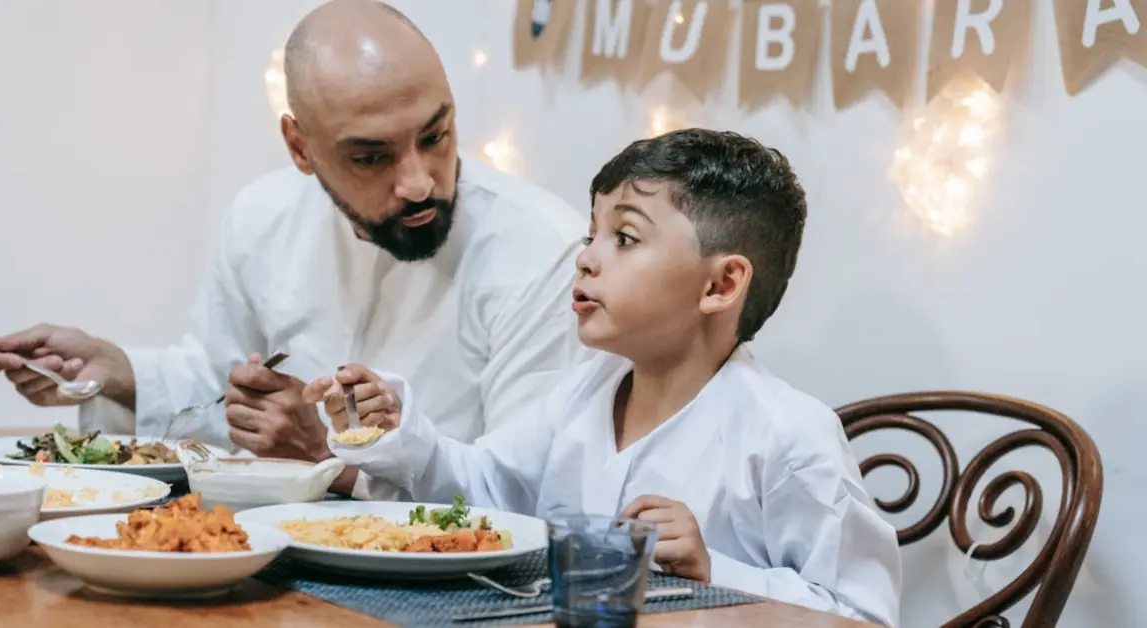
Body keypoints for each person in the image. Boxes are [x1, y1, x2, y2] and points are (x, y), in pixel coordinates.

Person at [0, 0, 587, 494]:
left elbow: (528, 493)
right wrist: (121, 374)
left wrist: (330, 456)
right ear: (300, 147)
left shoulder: (540, 251)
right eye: (371, 156)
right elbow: (223, 386)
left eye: (436, 135)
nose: (418, 181)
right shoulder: (262, 218)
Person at [312, 129, 902, 625]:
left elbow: (862, 614)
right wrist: (398, 435)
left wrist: (715, 568)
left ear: (720, 286)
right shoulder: (586, 390)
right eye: (589, 233)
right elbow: (485, 491)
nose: (587, 257)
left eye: (624, 238)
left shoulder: (790, 438)